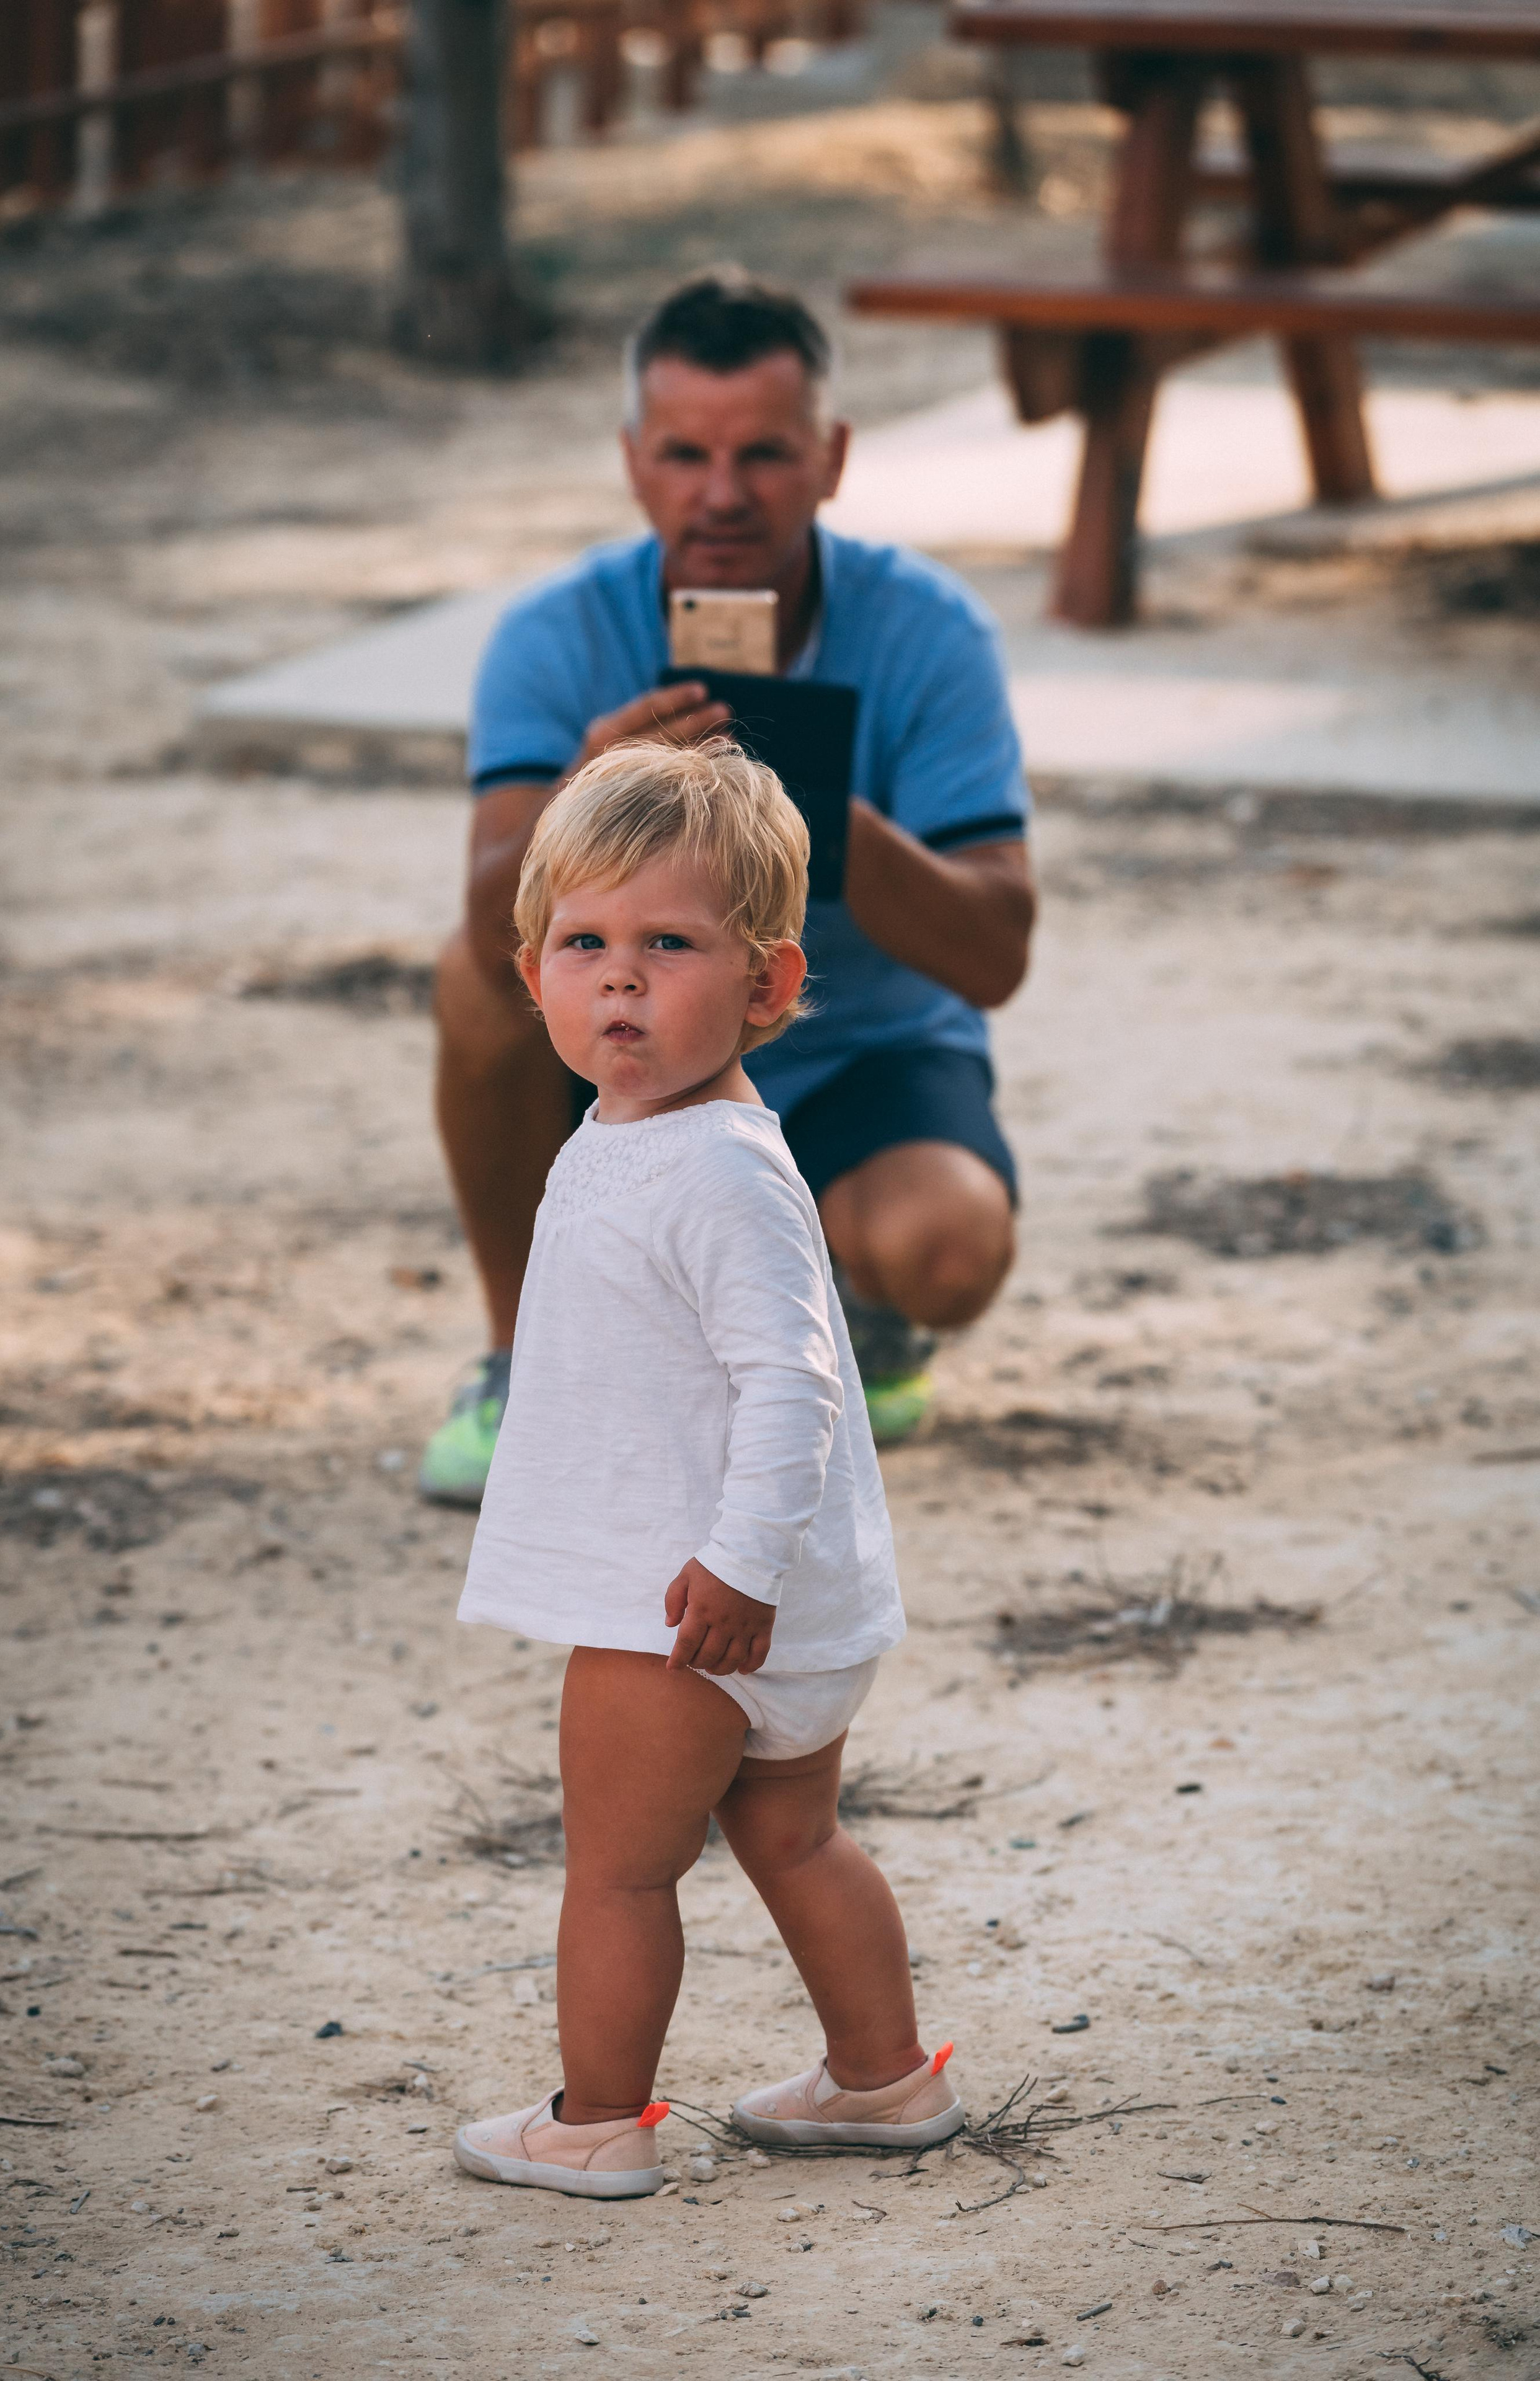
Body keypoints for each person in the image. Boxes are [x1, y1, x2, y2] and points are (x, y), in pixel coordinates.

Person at [421, 269, 1036, 1505]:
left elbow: (994, 955)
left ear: (831, 458)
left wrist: (810, 810)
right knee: (476, 982)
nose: (721, 494)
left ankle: (851, 1317)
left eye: (763, 453)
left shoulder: (928, 631)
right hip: (629, 1048)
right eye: (684, 454)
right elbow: (494, 927)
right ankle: (525, 1367)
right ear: (633, 463)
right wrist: (593, 791)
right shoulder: (556, 634)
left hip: (857, 1050)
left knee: (949, 1249)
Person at [451, 738, 962, 2199]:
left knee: (617, 1870)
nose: (619, 978)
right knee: (794, 1840)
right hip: (777, 1602)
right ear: (531, 972)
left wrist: (734, 1567)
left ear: (766, 985)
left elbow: (794, 1386)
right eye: (583, 945)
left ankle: (597, 2119)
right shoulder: (639, 1137)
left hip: (678, 1607)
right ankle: (879, 2079)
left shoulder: (716, 1169)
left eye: (667, 945)